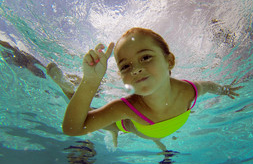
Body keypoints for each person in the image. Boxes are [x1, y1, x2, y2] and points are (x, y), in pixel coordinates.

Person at [62, 27, 242, 143]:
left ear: (169, 61)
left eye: (146, 57)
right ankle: (71, 89)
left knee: (104, 120)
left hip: (154, 131)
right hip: (130, 126)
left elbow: (209, 85)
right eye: (125, 66)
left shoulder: (189, 91)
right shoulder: (126, 108)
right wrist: (91, 81)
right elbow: (73, 128)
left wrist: (224, 90)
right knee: (111, 124)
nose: (136, 69)